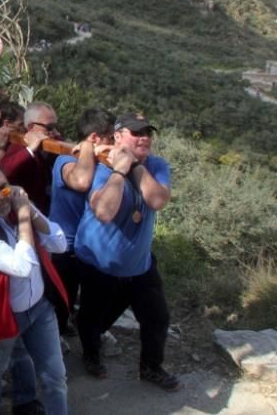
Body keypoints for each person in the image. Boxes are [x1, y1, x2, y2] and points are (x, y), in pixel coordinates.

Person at [75, 113, 179, 391]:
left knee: (157, 318)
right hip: (101, 262)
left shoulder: (156, 165)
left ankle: (151, 368)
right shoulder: (100, 168)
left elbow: (157, 200)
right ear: (118, 137)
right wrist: (119, 171)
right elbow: (104, 211)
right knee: (95, 318)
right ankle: (91, 354)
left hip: (139, 264)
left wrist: (135, 166)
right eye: (136, 132)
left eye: (147, 132)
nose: (144, 136)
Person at [0, 161, 69, 415]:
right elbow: (22, 266)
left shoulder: (19, 208)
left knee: (55, 376)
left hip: (40, 309)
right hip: (5, 314)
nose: (0, 197)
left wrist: (30, 212)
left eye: (4, 188)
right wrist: (24, 217)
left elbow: (59, 243)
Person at [49, 108, 115, 336]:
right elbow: (80, 181)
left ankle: (85, 338)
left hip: (92, 246)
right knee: (60, 299)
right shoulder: (64, 160)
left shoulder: (104, 161)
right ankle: (56, 340)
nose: (114, 143)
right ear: (95, 138)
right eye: (111, 138)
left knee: (93, 300)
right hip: (65, 246)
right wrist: (87, 149)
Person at [0, 101, 62, 213]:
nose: (55, 132)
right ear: (31, 127)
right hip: (27, 213)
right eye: (50, 127)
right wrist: (29, 150)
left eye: (56, 127)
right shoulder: (19, 146)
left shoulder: (51, 140)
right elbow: (3, 171)